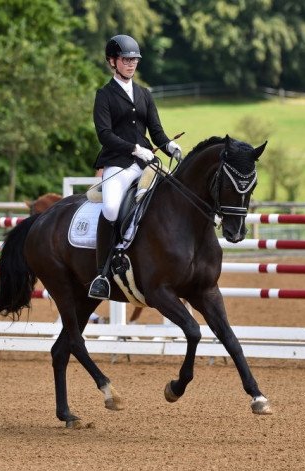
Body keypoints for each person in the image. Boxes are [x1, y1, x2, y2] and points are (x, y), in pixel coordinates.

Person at [88, 34, 182, 300]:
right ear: (112, 62)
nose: (131, 64)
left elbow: (157, 133)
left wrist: (170, 147)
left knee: (167, 200)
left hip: (146, 164)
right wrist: (133, 148)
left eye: (134, 60)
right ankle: (102, 273)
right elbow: (104, 134)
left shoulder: (144, 94)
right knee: (111, 207)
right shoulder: (104, 95)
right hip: (118, 162)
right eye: (126, 60)